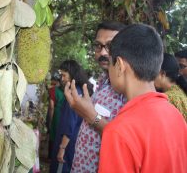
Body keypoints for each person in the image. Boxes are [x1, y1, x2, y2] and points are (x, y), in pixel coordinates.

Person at [66, 24, 187, 172]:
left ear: (120, 65)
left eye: (110, 63)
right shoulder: (176, 116)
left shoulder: (119, 131)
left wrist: (92, 117)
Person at [66, 21, 127, 172]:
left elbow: (124, 141)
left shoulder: (128, 89)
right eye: (99, 46)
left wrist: (91, 115)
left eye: (110, 46)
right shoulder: (103, 81)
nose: (103, 53)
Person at [50, 60, 93, 173]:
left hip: (66, 143)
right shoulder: (76, 91)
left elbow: (70, 123)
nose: (62, 78)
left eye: (64, 75)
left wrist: (62, 148)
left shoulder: (74, 94)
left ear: (72, 75)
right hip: (71, 141)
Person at [154, 53, 187, 120]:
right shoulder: (179, 92)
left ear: (162, 73)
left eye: (153, 73)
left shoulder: (167, 98)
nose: (150, 77)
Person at [47, 72, 64, 160]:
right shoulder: (65, 90)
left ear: (54, 80)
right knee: (60, 134)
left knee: (53, 134)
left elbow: (51, 107)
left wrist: (50, 121)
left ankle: (51, 156)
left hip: (56, 114)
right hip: (64, 113)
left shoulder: (53, 90)